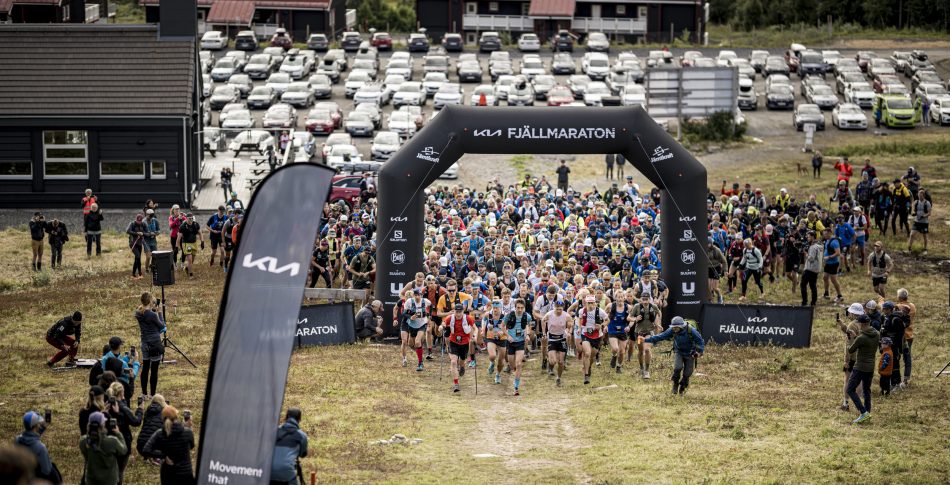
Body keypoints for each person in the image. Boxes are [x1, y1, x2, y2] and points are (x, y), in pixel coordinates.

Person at [644, 316, 705, 395]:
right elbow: (661, 336)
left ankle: (682, 387)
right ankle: (675, 385)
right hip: (678, 351)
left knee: (688, 373)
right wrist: (645, 340)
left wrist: (699, 352)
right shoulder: (672, 330)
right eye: (673, 327)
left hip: (690, 353)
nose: (674, 329)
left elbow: (700, 341)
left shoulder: (691, 330)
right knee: (677, 367)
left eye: (676, 327)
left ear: (681, 326)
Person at [142, 406, 196, 485]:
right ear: (176, 417)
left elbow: (146, 450)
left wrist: (163, 455)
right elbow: (191, 446)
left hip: (168, 474)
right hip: (185, 473)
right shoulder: (187, 432)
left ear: (163, 419)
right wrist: (188, 429)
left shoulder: (160, 433)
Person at [105, 381, 142, 483]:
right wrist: (140, 409)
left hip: (108, 441)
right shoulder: (123, 408)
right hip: (123, 441)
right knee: (120, 471)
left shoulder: (106, 406)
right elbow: (136, 421)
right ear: (121, 393)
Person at [845, 315, 879, 424]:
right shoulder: (877, 334)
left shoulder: (861, 338)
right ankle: (867, 412)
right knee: (867, 390)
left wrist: (851, 340)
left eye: (859, 324)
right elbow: (865, 342)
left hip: (860, 367)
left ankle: (863, 412)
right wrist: (856, 337)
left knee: (850, 389)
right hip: (870, 367)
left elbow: (851, 350)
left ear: (862, 324)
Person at [79, 411, 127, 485]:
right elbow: (123, 450)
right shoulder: (112, 441)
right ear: (103, 425)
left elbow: (86, 455)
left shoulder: (83, 441)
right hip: (109, 480)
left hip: (91, 480)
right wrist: (119, 434)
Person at [14, 411, 60, 484]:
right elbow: (47, 471)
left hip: (23, 474)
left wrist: (44, 427)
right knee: (53, 468)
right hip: (37, 479)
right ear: (36, 426)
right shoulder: (40, 448)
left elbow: (31, 436)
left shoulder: (17, 440)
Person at [135, 293, 165, 397]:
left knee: (145, 368)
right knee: (154, 370)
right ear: (150, 301)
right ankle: (152, 395)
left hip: (144, 343)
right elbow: (162, 326)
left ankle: (144, 394)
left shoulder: (138, 313)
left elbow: (147, 318)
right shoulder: (152, 315)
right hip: (155, 344)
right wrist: (160, 312)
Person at [440, 304, 474, 393]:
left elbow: (474, 328)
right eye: (456, 312)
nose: (458, 314)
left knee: (462, 361)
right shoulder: (450, 318)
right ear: (454, 311)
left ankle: (462, 366)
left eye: (460, 312)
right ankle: (456, 384)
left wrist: (474, 336)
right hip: (453, 342)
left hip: (465, 343)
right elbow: (444, 323)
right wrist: (441, 327)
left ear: (463, 312)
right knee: (454, 362)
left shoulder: (468, 318)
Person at [270, 408, 308, 485]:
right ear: (299, 419)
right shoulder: (301, 435)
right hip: (287, 472)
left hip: (268, 470)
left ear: (286, 417)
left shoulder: (274, 431)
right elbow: (303, 454)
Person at [576, 295, 607, 385]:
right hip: (585, 333)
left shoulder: (600, 311)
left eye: (592, 303)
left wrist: (601, 325)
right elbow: (580, 320)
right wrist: (579, 328)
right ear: (586, 303)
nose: (590, 305)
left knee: (592, 356)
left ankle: (588, 367)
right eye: (589, 303)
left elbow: (607, 320)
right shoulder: (582, 311)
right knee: (587, 353)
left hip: (597, 335)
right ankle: (586, 375)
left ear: (595, 303)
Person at [504, 299, 532, 395]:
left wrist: (527, 334)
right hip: (511, 342)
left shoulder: (527, 316)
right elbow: (502, 326)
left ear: (524, 308)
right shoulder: (509, 315)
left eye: (521, 308)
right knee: (513, 366)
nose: (520, 310)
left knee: (519, 364)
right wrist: (508, 336)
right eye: (518, 308)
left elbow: (529, 325)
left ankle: (516, 386)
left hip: (520, 342)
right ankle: (515, 372)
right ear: (515, 307)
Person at [630, 293, 661, 379]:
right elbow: (629, 317)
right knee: (641, 351)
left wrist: (658, 323)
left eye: (647, 299)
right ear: (641, 299)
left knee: (647, 349)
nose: (645, 301)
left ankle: (647, 370)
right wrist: (635, 319)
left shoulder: (653, 306)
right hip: (639, 333)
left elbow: (659, 313)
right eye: (643, 299)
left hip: (649, 332)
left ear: (649, 299)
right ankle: (641, 368)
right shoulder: (637, 307)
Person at [401, 289, 431, 371]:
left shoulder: (426, 301)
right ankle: (419, 351)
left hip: (422, 324)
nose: (418, 297)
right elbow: (403, 313)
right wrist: (410, 317)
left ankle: (420, 363)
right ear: (414, 295)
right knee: (411, 344)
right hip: (412, 324)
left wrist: (429, 317)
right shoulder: (409, 302)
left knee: (418, 341)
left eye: (419, 295)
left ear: (421, 295)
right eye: (416, 295)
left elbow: (431, 307)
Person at [896, 288, 916, 387]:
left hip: (900, 337)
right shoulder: (912, 306)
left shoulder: (898, 306)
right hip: (910, 336)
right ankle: (906, 379)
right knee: (907, 358)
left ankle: (896, 378)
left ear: (899, 297)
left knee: (897, 357)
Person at [822, 229, 843, 302]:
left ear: (830, 233)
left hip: (833, 263)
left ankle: (840, 296)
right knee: (825, 277)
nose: (824, 235)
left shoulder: (834, 242)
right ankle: (826, 294)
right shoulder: (827, 240)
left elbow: (838, 253)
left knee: (833, 280)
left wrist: (828, 257)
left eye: (826, 234)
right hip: (828, 263)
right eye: (824, 234)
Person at [907, 188, 931, 254]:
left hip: (924, 222)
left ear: (923, 196)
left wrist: (924, 216)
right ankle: (909, 248)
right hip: (917, 221)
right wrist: (913, 213)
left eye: (921, 196)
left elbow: (929, 213)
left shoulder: (927, 203)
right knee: (912, 234)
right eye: (919, 195)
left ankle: (925, 249)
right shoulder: (916, 202)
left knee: (925, 236)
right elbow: (914, 210)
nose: (920, 197)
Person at [127, 214, 148, 279]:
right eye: (137, 221)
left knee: (138, 258)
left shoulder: (143, 224)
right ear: (136, 219)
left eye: (140, 221)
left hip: (139, 243)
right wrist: (137, 233)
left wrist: (143, 233)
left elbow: (147, 232)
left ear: (142, 220)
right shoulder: (132, 224)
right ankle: (139, 273)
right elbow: (128, 231)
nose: (138, 222)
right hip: (133, 243)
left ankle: (135, 274)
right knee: (138, 256)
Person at [143, 209, 160, 274]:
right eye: (150, 216)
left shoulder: (155, 221)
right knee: (148, 256)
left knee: (155, 256)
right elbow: (142, 233)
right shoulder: (143, 222)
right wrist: (150, 234)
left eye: (152, 215)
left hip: (153, 240)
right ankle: (146, 269)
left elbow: (159, 230)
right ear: (146, 215)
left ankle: (152, 267)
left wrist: (155, 233)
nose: (151, 217)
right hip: (146, 241)